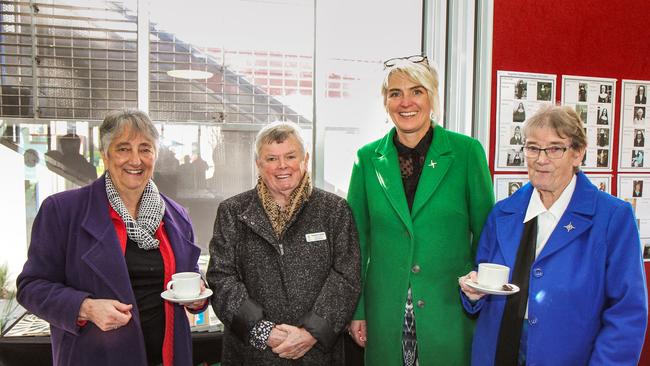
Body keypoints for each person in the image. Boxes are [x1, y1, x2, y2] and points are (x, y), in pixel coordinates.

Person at [459, 105, 647, 365]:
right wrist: (472, 294)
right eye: (533, 147)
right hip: (497, 353)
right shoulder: (503, 213)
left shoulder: (612, 217)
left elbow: (627, 313)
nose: (541, 159)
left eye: (555, 148)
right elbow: (482, 286)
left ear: (578, 153)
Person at [16, 109, 207, 366]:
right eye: (123, 149)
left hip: (167, 357)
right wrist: (85, 307)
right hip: (94, 356)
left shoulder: (176, 215)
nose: (136, 160)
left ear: (155, 155)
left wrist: (197, 297)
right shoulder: (63, 210)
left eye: (145, 149)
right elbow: (31, 287)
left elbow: (188, 274)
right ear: (105, 156)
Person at [347, 54, 494, 366]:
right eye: (395, 93)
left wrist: (480, 298)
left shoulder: (467, 153)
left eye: (417, 91)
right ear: (385, 102)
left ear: (433, 97)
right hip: (384, 311)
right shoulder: (366, 159)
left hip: (449, 309)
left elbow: (487, 235)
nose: (406, 102)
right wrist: (358, 309)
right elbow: (355, 245)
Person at [207, 121, 360, 365]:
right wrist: (263, 331)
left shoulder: (335, 210)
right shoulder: (232, 212)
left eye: (290, 156)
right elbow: (220, 277)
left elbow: (346, 276)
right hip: (253, 353)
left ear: (305, 159)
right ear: (258, 164)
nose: (282, 166)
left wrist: (311, 332)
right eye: (271, 159)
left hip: (317, 353)